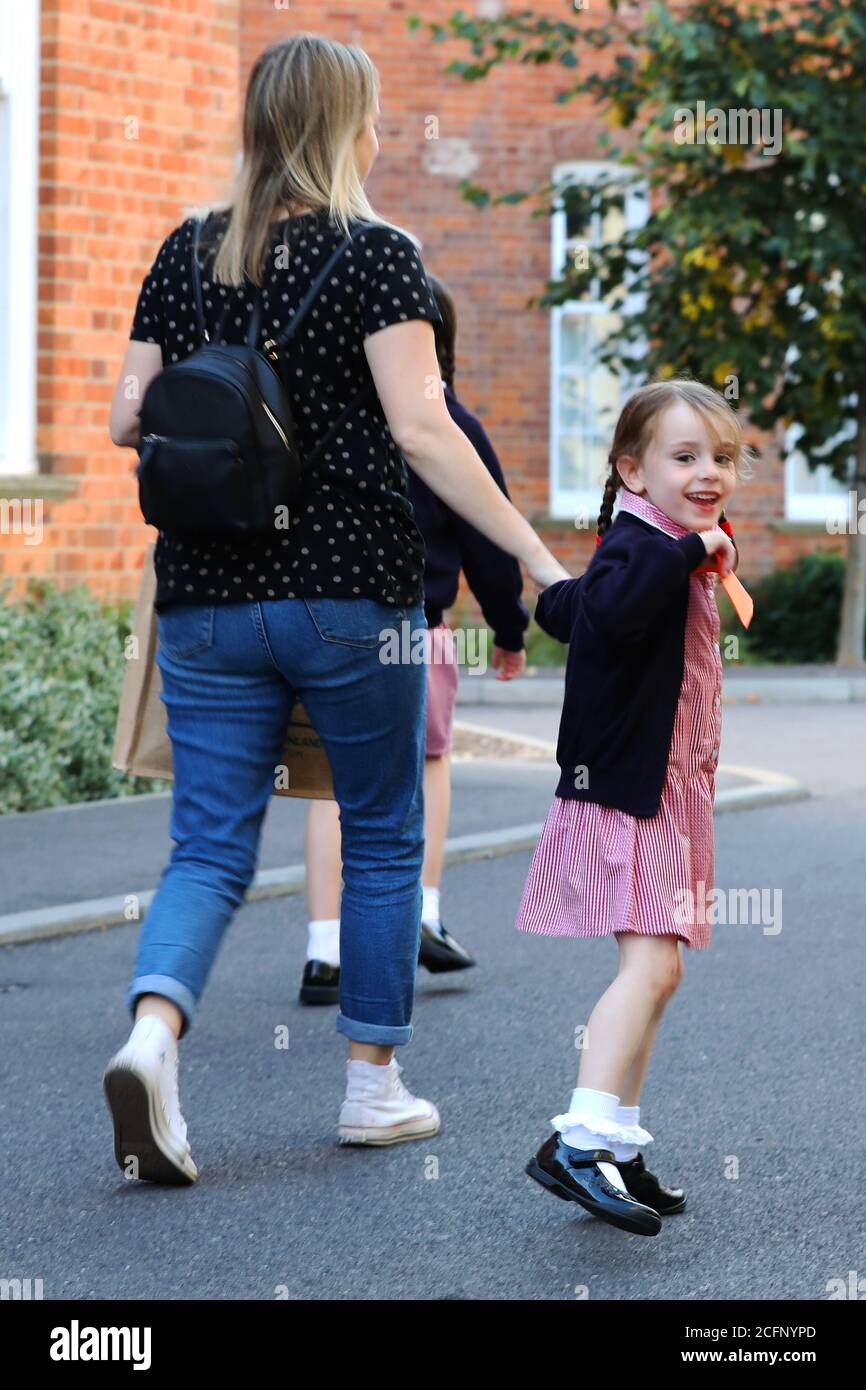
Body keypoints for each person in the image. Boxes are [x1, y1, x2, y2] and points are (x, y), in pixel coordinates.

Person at [104, 32, 569, 1183]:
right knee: (379, 833)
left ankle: (152, 1037)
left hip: (205, 598)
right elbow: (424, 427)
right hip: (349, 599)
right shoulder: (376, 255)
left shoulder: (183, 250)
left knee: (207, 846)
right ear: (343, 126)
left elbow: (127, 420)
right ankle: (372, 1086)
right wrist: (533, 555)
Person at [515, 378, 751, 1236]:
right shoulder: (645, 543)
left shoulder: (664, 542)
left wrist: (547, 598)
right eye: (684, 457)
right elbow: (615, 599)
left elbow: (581, 612)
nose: (708, 473)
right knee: (647, 968)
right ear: (632, 471)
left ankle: (611, 1140)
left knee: (666, 968)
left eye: (721, 458)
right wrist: (691, 553)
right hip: (632, 796)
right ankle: (578, 1142)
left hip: (673, 792)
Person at [300, 273, 531, 1004]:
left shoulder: (329, 424)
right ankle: (424, 914)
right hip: (415, 629)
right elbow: (489, 536)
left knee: (331, 782)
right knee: (427, 764)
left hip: (324, 623)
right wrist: (509, 627)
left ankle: (325, 949)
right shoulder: (452, 428)